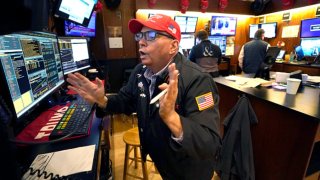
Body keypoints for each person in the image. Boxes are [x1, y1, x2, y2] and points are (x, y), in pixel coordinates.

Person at [66, 14, 221, 179]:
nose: (141, 41)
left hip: (189, 169)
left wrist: (171, 117)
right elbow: (125, 101)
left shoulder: (198, 80)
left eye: (152, 35)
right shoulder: (140, 72)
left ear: (173, 46)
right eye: (140, 35)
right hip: (163, 160)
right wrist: (102, 100)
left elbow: (209, 143)